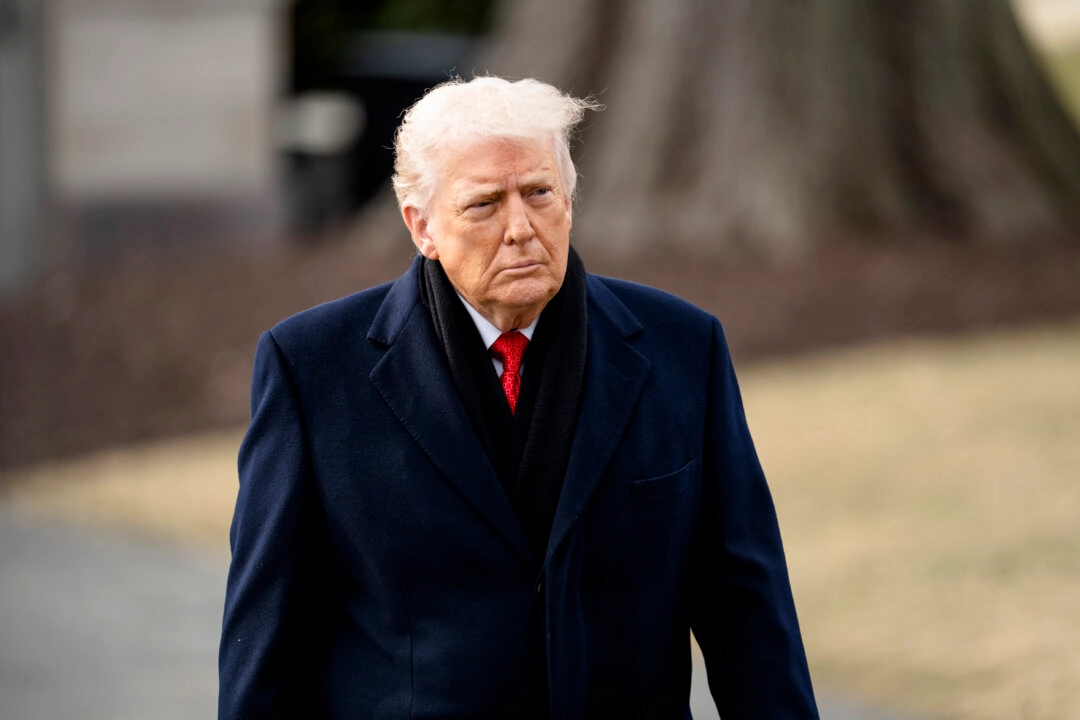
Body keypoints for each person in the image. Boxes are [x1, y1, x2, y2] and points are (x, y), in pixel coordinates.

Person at [219, 76, 819, 719]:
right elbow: (268, 642)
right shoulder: (311, 368)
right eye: (484, 205)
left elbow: (747, 609)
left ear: (570, 198)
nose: (521, 229)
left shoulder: (683, 348)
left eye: (539, 194)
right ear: (421, 226)